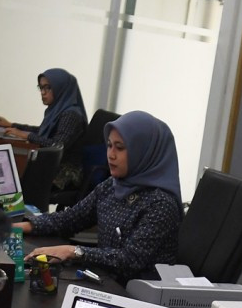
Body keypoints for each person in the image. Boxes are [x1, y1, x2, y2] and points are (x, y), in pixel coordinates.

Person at [18, 110, 182, 283]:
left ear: (144, 151)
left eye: (120, 148)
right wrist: (18, 227)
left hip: (138, 294)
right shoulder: (112, 185)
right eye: (109, 145)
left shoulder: (161, 203)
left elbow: (129, 260)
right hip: (106, 279)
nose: (111, 155)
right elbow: (70, 219)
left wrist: (74, 251)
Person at [0, 67, 88, 149]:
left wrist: (27, 135)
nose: (42, 92)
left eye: (48, 87)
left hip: (65, 169)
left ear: (61, 88)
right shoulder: (56, 110)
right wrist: (11, 125)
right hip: (52, 164)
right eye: (41, 88)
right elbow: (42, 130)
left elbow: (57, 145)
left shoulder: (70, 114)